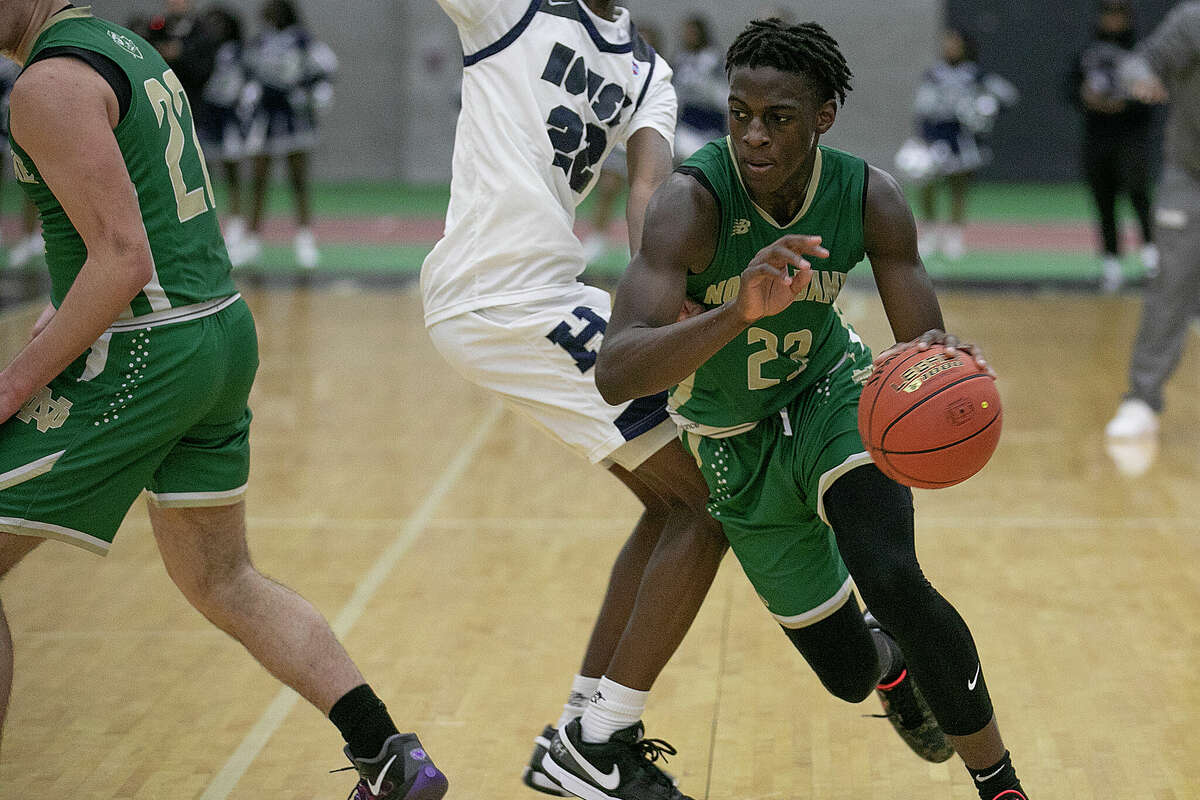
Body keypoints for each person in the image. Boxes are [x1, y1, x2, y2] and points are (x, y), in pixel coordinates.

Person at [0, 6, 446, 799]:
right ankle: (388, 757)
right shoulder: (123, 46)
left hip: (149, 350)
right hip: (217, 328)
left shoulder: (47, 83)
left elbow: (124, 255)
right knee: (221, 578)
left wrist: (15, 379)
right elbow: (143, 226)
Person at [594, 19, 1031, 800]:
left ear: (823, 116)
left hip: (833, 395)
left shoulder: (868, 196)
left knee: (893, 576)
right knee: (847, 673)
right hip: (731, 447)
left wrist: (953, 369)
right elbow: (616, 373)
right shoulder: (689, 205)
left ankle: (998, 782)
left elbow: (921, 342)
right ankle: (891, 668)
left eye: (777, 117)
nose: (752, 135)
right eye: (738, 113)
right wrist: (734, 315)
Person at [422, 2, 728, 799]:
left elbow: (650, 190)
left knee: (676, 507)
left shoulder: (647, 68)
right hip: (502, 295)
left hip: (545, 293)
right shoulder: (508, 11)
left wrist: (653, 304)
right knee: (711, 501)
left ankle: (581, 736)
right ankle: (597, 746)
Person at [1105, 1, 1200, 439]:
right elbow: (1140, 60)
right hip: (1191, 176)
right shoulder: (1193, 20)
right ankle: (1142, 399)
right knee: (1171, 284)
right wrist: (1139, 77)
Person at [233, 0, 336, 270]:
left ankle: (304, 239)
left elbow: (326, 66)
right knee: (258, 179)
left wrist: (315, 93)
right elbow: (247, 70)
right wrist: (249, 93)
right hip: (266, 118)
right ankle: (252, 241)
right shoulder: (259, 42)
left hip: (294, 117)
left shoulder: (302, 40)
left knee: (298, 179)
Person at [1069, 0, 1158, 293]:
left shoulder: (1140, 54)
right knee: (1103, 200)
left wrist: (1125, 105)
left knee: (1137, 193)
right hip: (1097, 137)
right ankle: (1111, 263)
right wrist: (1086, 98)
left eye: (1119, 13)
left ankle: (1151, 258)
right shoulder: (1088, 54)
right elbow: (1069, 89)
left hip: (1129, 136)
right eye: (1108, 13)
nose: (1113, 20)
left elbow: (1153, 97)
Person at [909, 28, 1017, 260]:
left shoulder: (975, 74)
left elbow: (1007, 95)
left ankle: (954, 235)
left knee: (958, 186)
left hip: (962, 138)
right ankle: (929, 232)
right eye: (947, 42)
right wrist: (922, 137)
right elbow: (922, 107)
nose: (950, 47)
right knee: (927, 183)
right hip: (936, 135)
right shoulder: (934, 74)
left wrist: (985, 110)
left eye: (955, 43)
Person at [192, 6, 251, 255]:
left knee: (232, 170)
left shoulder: (238, 51)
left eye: (220, 23)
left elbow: (246, 80)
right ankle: (207, 226)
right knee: (204, 173)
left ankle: (237, 225)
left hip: (228, 116)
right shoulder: (202, 48)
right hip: (206, 116)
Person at [671, 14, 727, 161]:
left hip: (711, 122)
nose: (689, 36)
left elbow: (723, 95)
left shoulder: (714, 59)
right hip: (688, 121)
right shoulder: (680, 59)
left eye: (693, 32)